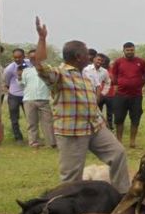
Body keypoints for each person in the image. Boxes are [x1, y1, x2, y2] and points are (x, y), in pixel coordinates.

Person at [31, 17, 130, 193]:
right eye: (87, 54)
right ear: (78, 56)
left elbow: (90, 103)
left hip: (95, 128)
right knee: (72, 177)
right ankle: (67, 209)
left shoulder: (84, 77)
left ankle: (122, 195)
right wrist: (42, 39)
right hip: (73, 132)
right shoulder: (60, 76)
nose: (90, 57)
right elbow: (39, 66)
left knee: (118, 153)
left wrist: (101, 120)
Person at [110, 42, 145, 148]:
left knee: (135, 119)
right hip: (120, 95)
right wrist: (115, 85)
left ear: (134, 50)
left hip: (136, 95)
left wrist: (140, 84)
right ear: (123, 50)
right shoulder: (118, 62)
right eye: (128, 50)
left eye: (132, 50)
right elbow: (113, 74)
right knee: (119, 119)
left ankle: (132, 142)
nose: (130, 52)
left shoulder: (141, 62)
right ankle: (119, 141)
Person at [19, 51, 56, 149]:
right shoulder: (26, 71)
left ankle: (51, 142)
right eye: (31, 58)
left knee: (48, 122)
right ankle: (34, 142)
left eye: (35, 58)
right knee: (32, 123)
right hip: (29, 99)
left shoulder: (48, 69)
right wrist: (18, 76)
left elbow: (52, 82)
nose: (33, 60)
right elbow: (22, 84)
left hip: (44, 99)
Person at [1, 48, 30, 142]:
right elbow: (7, 82)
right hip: (14, 95)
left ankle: (33, 137)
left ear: (24, 56)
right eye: (15, 57)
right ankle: (18, 138)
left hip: (27, 95)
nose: (17, 59)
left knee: (30, 117)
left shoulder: (29, 64)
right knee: (14, 118)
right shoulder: (9, 69)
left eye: (19, 57)